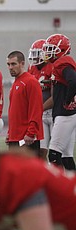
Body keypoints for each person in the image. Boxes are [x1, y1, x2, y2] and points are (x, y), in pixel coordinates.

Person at [43, 33, 76, 171]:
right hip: (67, 114)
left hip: (65, 114)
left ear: (61, 49)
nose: (47, 52)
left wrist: (67, 100)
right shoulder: (60, 63)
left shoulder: (62, 62)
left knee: (54, 155)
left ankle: (59, 188)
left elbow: (73, 80)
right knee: (66, 156)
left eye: (51, 48)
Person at [6, 51, 44, 156]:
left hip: (26, 138)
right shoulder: (16, 82)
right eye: (8, 64)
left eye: (13, 64)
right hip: (15, 137)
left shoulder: (30, 82)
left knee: (29, 171)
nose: (10, 67)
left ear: (22, 64)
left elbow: (36, 109)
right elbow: (14, 110)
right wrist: (10, 133)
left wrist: (31, 133)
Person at [27, 39, 54, 161]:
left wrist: (38, 108)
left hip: (53, 112)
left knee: (56, 151)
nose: (35, 58)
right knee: (41, 151)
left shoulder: (52, 67)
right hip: (39, 114)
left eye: (37, 54)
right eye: (33, 54)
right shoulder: (31, 68)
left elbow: (55, 95)